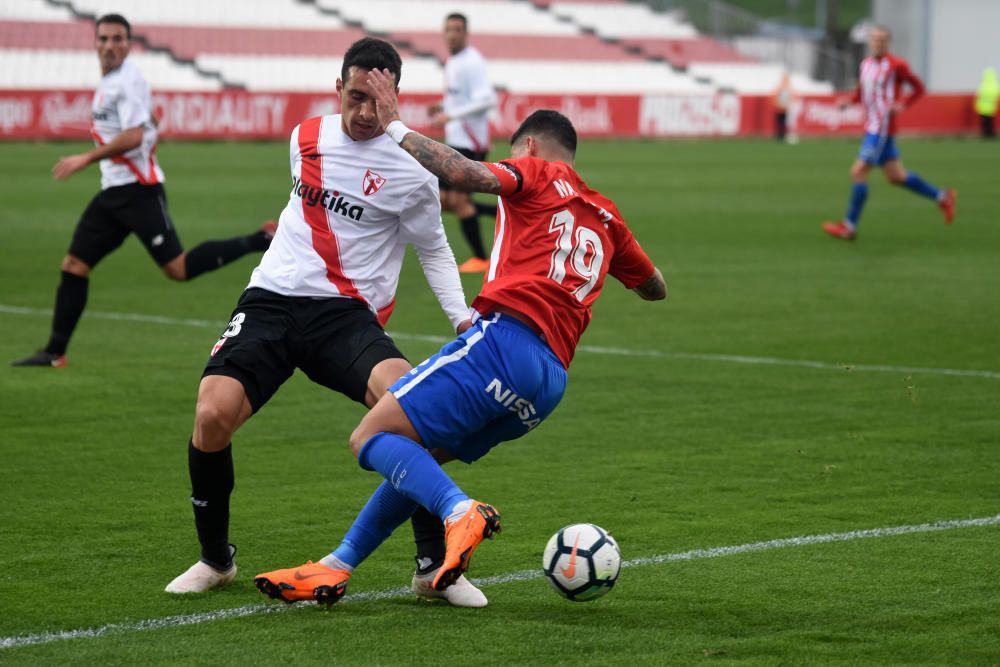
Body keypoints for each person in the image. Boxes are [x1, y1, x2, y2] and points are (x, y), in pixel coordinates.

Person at [252, 75, 667, 607]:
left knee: (369, 437)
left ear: (531, 148)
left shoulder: (537, 170)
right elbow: (655, 288)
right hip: (548, 384)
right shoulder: (606, 216)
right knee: (418, 455)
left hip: (505, 343)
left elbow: (465, 174)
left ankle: (457, 512)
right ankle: (338, 565)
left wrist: (395, 121)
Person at [165, 38, 490, 608]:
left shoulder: (414, 170)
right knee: (212, 415)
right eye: (355, 96)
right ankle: (216, 561)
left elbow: (434, 251)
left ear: (395, 96)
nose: (364, 113)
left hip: (344, 316)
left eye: (377, 100)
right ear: (338, 87)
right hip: (270, 299)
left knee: (416, 412)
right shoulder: (305, 136)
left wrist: (462, 317)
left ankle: (433, 567)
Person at [11, 14, 275, 368]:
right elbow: (146, 122)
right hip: (113, 193)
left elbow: (134, 134)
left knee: (177, 269)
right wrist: (150, 128)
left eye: (117, 39)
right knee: (74, 264)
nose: (109, 46)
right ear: (95, 43)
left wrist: (85, 158)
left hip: (139, 192)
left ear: (129, 43)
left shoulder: (127, 80)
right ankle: (54, 352)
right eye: (103, 39)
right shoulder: (112, 81)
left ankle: (259, 239)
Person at [821, 25, 956, 241]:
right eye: (875, 40)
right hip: (872, 128)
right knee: (897, 177)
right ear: (869, 42)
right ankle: (943, 197)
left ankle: (849, 227)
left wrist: (903, 104)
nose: (879, 44)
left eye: (883, 40)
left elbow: (919, 88)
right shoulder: (865, 64)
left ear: (888, 43)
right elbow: (863, 93)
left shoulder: (896, 66)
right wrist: (850, 101)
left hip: (881, 129)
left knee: (858, 172)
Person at [427, 12, 498, 274]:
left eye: (457, 29)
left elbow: (486, 100)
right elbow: (459, 98)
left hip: (470, 140)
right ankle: (495, 211)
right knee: (445, 199)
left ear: (465, 33)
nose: (452, 34)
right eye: (449, 29)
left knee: (455, 200)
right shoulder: (453, 62)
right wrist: (442, 105)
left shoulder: (472, 62)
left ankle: (481, 258)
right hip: (456, 139)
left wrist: (450, 114)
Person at [975, 67, 998, 139]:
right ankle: (990, 133)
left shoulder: (983, 85)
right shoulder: (995, 86)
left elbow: (978, 96)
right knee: (990, 122)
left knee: (984, 122)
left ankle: (985, 133)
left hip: (983, 107)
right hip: (991, 107)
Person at [772, 71, 795, 142]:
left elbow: (774, 97)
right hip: (784, 109)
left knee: (780, 123)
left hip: (780, 108)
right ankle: (782, 136)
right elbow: (792, 98)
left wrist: (776, 105)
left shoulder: (779, 87)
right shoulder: (788, 88)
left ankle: (780, 136)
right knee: (783, 123)